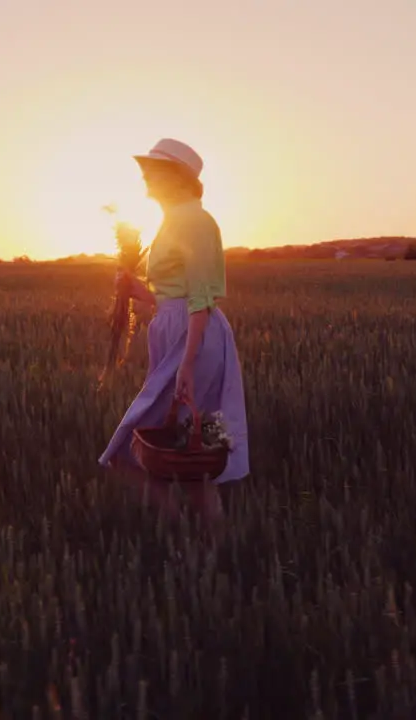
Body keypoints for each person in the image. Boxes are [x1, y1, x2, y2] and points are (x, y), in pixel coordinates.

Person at [98, 138, 251, 521]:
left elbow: (201, 296)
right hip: (178, 336)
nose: (145, 176)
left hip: (192, 340)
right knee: (181, 451)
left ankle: (199, 545)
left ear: (178, 178)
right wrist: (137, 291)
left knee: (156, 447)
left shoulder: (195, 221)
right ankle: (195, 546)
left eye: (154, 169)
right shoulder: (172, 220)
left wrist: (186, 361)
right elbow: (174, 296)